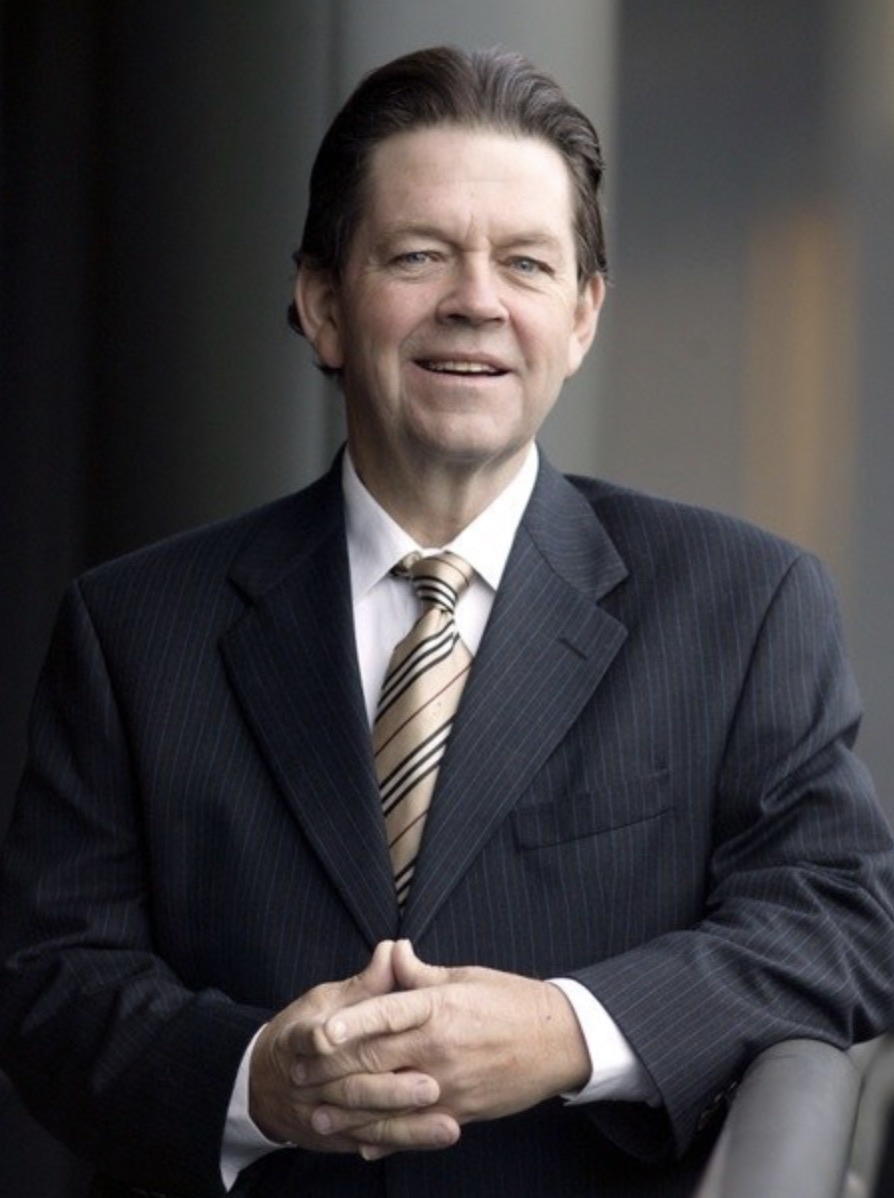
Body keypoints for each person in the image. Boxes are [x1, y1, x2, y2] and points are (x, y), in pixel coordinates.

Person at [1, 44, 893, 1198]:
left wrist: (568, 1030)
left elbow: (838, 922)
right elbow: (49, 981)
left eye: (526, 262)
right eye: (419, 255)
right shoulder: (132, 629)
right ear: (323, 305)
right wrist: (257, 1078)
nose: (477, 299)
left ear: (581, 316)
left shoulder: (742, 604)